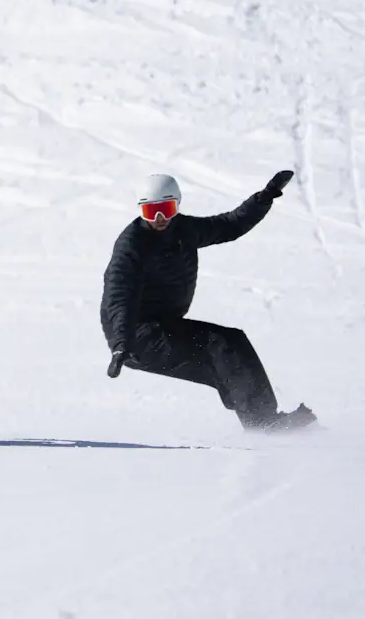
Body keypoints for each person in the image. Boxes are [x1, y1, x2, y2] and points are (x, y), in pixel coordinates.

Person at [100, 171, 317, 431]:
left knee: (227, 357)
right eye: (150, 211)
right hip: (135, 337)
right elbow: (118, 297)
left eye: (166, 209)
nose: (159, 218)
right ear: (141, 210)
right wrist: (120, 344)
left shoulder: (184, 230)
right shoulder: (132, 246)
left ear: (177, 205)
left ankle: (262, 424)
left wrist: (263, 198)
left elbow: (229, 225)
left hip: (162, 326)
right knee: (222, 345)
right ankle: (264, 423)